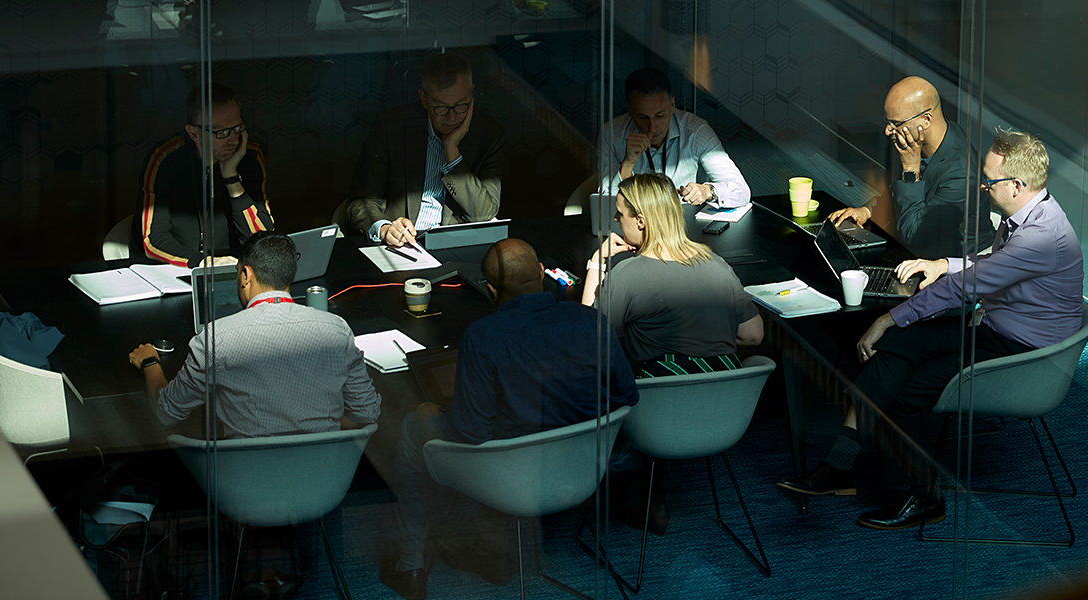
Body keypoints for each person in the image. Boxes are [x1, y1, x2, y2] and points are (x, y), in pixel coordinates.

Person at [779, 129, 1084, 530]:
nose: (982, 186)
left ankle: (925, 498)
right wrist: (943, 263)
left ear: (1017, 185)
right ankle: (840, 464)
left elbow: (964, 289)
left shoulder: (1041, 237)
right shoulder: (1030, 213)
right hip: (996, 327)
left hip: (1022, 353)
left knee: (906, 384)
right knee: (899, 343)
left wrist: (888, 316)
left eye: (989, 181)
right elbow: (991, 262)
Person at [381, 239, 639, 600]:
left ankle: (409, 565)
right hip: (583, 469)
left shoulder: (482, 337)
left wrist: (431, 416)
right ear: (540, 273)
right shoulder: (590, 319)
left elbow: (470, 430)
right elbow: (627, 396)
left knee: (413, 427)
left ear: (490, 290)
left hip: (510, 476)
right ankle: (491, 549)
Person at [125, 231, 380, 439]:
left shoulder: (216, 338)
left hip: (243, 486)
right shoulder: (336, 329)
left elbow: (167, 411)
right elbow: (367, 412)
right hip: (326, 481)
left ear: (245, 275)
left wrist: (150, 362)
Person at [581, 173, 764, 376]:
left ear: (641, 221)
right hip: (725, 402)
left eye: (620, 213)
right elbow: (753, 335)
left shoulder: (627, 274)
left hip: (660, 402)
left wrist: (597, 261)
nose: (616, 219)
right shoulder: (717, 266)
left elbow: (588, 339)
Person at [337, 53, 509, 248]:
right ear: (424, 99)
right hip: (402, 245)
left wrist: (452, 152)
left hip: (455, 245)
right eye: (441, 108)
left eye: (461, 106)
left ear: (472, 94)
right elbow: (360, 202)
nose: (452, 117)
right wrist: (384, 228)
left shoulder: (490, 134)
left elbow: (484, 213)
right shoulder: (391, 127)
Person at [827, 76, 989, 258]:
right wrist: (867, 210)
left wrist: (910, 168)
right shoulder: (924, 142)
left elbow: (914, 234)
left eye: (895, 124)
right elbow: (900, 191)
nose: (887, 131)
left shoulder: (962, 174)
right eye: (887, 121)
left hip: (951, 265)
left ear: (926, 120)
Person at [137, 84, 275, 267]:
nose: (234, 139)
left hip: (236, 271)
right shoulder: (166, 159)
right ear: (194, 133)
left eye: (238, 128)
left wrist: (231, 178)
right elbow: (153, 239)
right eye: (222, 132)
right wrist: (203, 262)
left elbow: (263, 242)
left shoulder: (250, 156)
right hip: (179, 270)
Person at [596, 68, 751, 209]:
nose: (653, 127)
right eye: (643, 117)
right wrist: (627, 164)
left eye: (660, 115)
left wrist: (707, 191)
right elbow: (603, 205)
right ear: (629, 110)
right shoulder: (610, 134)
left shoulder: (696, 131)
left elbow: (741, 191)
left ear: (672, 105)